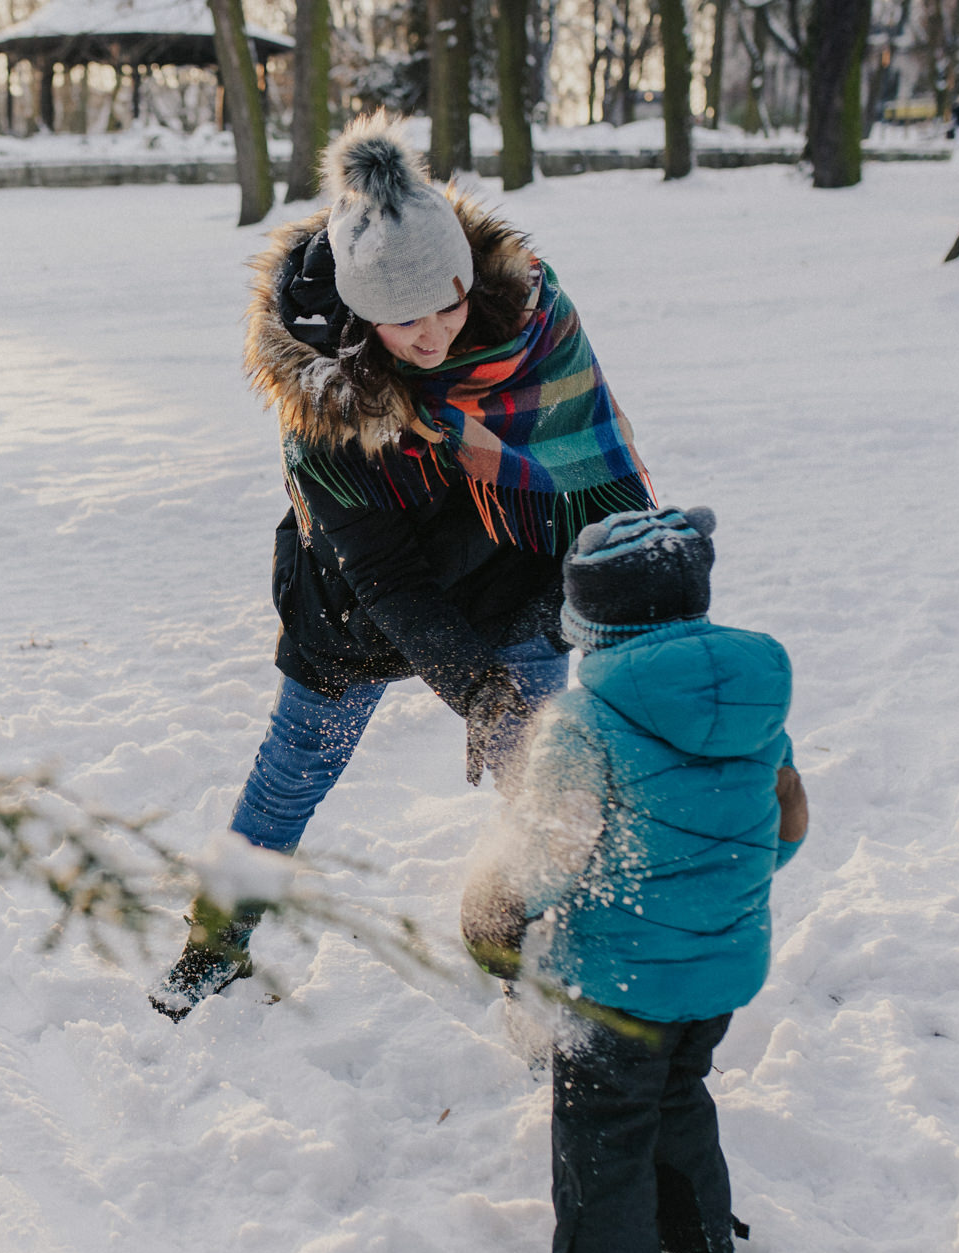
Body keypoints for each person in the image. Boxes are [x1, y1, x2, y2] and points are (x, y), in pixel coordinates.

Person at [150, 114, 655, 1020]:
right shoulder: (324, 397)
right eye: (403, 318)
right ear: (358, 310)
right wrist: (476, 688)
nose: (434, 335)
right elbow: (386, 578)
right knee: (292, 771)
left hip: (509, 569)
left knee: (542, 768)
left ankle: (531, 939)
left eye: (449, 302)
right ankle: (214, 939)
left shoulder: (530, 323)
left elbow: (591, 468)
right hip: (359, 605)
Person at [459, 505, 809, 1253]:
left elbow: (551, 851)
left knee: (603, 1131)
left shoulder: (586, 722)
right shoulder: (756, 707)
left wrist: (495, 907)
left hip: (619, 984)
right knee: (680, 1093)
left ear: (594, 623)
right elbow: (781, 827)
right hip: (722, 970)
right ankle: (698, 1243)